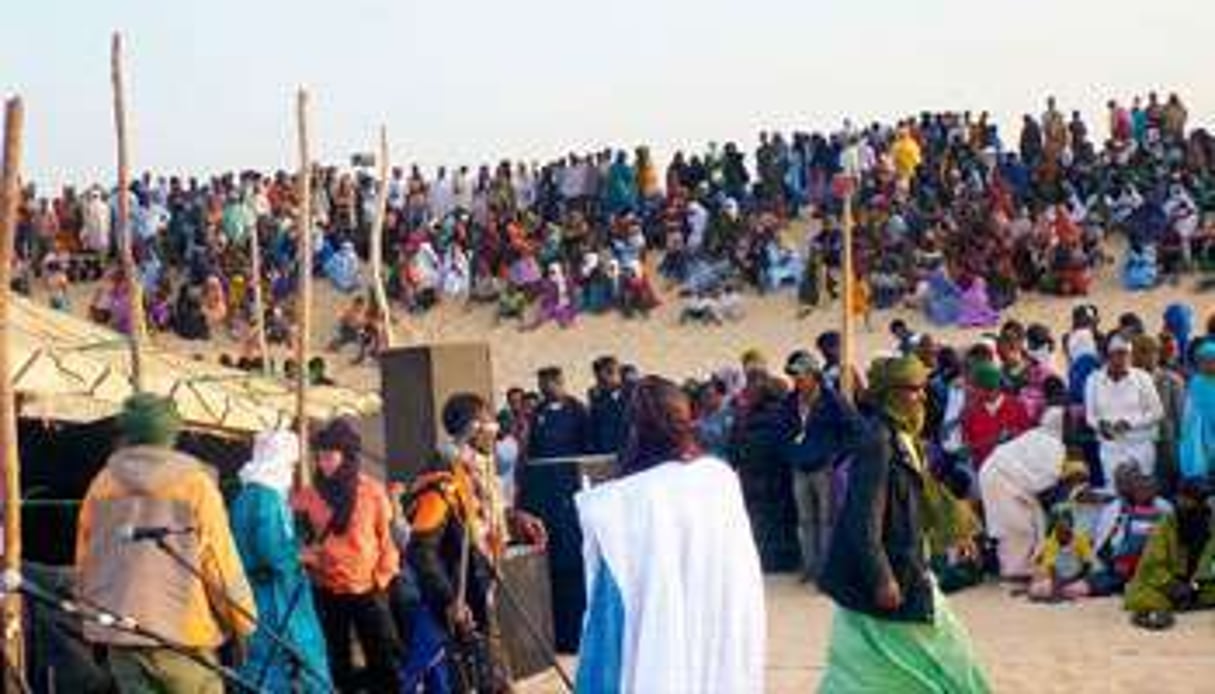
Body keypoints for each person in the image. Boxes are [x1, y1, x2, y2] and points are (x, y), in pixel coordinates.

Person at [575, 376, 766, 693]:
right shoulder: (720, 480)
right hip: (721, 656)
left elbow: (607, 630)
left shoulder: (619, 505)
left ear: (635, 429)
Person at [818, 356, 990, 693]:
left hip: (902, 564)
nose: (922, 397)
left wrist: (955, 531)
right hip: (888, 571)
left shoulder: (903, 436)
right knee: (941, 655)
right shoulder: (877, 441)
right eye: (914, 390)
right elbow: (862, 515)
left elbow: (922, 492)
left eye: (923, 389)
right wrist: (882, 577)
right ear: (892, 394)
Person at [76, 394, 257, 692]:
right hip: (182, 639)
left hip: (122, 638)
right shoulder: (195, 485)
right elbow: (219, 564)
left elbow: (86, 564)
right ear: (171, 433)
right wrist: (244, 622)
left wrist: (95, 625)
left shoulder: (102, 485)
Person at [407, 393, 548, 693]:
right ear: (473, 430)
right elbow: (420, 551)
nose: (496, 433)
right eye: (491, 426)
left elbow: (478, 519)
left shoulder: (476, 472)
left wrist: (515, 518)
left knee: (495, 682)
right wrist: (449, 601)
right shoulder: (442, 482)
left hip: (482, 594)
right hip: (459, 610)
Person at [292, 419, 402, 692]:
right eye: (319, 458)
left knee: (383, 660)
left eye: (329, 457)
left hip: (369, 588)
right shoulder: (308, 495)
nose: (324, 464)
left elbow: (387, 540)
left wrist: (382, 578)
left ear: (346, 456)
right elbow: (294, 537)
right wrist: (308, 557)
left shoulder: (372, 491)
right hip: (328, 589)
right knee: (337, 661)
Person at [229, 430, 332, 693]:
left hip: (252, 595)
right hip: (278, 597)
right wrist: (303, 554)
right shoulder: (268, 497)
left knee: (258, 664)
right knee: (299, 660)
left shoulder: (243, 496)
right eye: (291, 464)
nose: (292, 470)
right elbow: (273, 553)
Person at [518, 366, 591, 653]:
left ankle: (577, 635)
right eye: (541, 383)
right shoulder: (537, 414)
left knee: (574, 566)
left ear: (560, 382)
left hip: (572, 495)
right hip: (546, 499)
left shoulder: (577, 411)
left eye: (549, 383)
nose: (545, 388)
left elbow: (588, 449)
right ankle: (558, 635)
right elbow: (531, 454)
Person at [778, 350, 861, 583]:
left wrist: (837, 457)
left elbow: (854, 429)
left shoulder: (833, 400)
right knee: (805, 521)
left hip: (824, 469)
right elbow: (782, 431)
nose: (796, 380)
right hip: (800, 469)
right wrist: (791, 454)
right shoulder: (790, 402)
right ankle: (810, 567)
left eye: (800, 375)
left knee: (827, 520)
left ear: (814, 375)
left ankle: (826, 569)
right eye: (794, 376)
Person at [978, 406, 1070, 580]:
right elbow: (1046, 480)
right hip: (1001, 479)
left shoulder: (1035, 434)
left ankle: (1020, 567)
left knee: (1030, 522)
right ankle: (1013, 571)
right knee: (1018, 527)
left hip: (998, 476)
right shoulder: (1055, 446)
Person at [1125, 480, 1215, 630]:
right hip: (1167, 583)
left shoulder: (1209, 523)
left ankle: (1188, 600)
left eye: (1202, 500)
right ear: (1181, 498)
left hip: (1198, 583)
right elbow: (1152, 566)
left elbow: (1211, 563)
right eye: (1194, 499)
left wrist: (1198, 583)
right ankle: (1155, 613)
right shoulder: (1165, 525)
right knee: (1141, 595)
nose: (1200, 504)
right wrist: (1173, 586)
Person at [1085, 335, 1165, 489]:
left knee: (1142, 491)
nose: (1124, 358)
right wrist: (1100, 425)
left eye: (1127, 354)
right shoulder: (1093, 380)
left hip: (1141, 447)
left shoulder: (1143, 378)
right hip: (1110, 449)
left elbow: (1157, 412)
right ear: (1108, 355)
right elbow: (1090, 416)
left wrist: (1130, 423)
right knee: (1114, 491)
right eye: (1119, 353)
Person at [1028, 506, 1095, 601]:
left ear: (1071, 523)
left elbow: (1087, 565)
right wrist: (1057, 585)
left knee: (1081, 588)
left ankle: (1059, 594)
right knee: (1036, 590)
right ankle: (1059, 594)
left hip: (1076, 578)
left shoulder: (1080, 538)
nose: (1063, 524)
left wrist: (1071, 579)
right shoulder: (1050, 541)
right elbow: (1051, 568)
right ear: (1054, 523)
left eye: (1066, 520)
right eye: (1059, 520)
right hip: (1055, 579)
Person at [1179, 340, 1215, 481]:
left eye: (1211, 360)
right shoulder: (1196, 382)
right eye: (1203, 361)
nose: (1207, 365)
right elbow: (1189, 414)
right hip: (1200, 438)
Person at [587, 355, 629, 456]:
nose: (598, 384)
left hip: (628, 453)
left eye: (602, 380)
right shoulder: (597, 399)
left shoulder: (632, 397)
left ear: (615, 373)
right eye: (597, 379)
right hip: (605, 455)